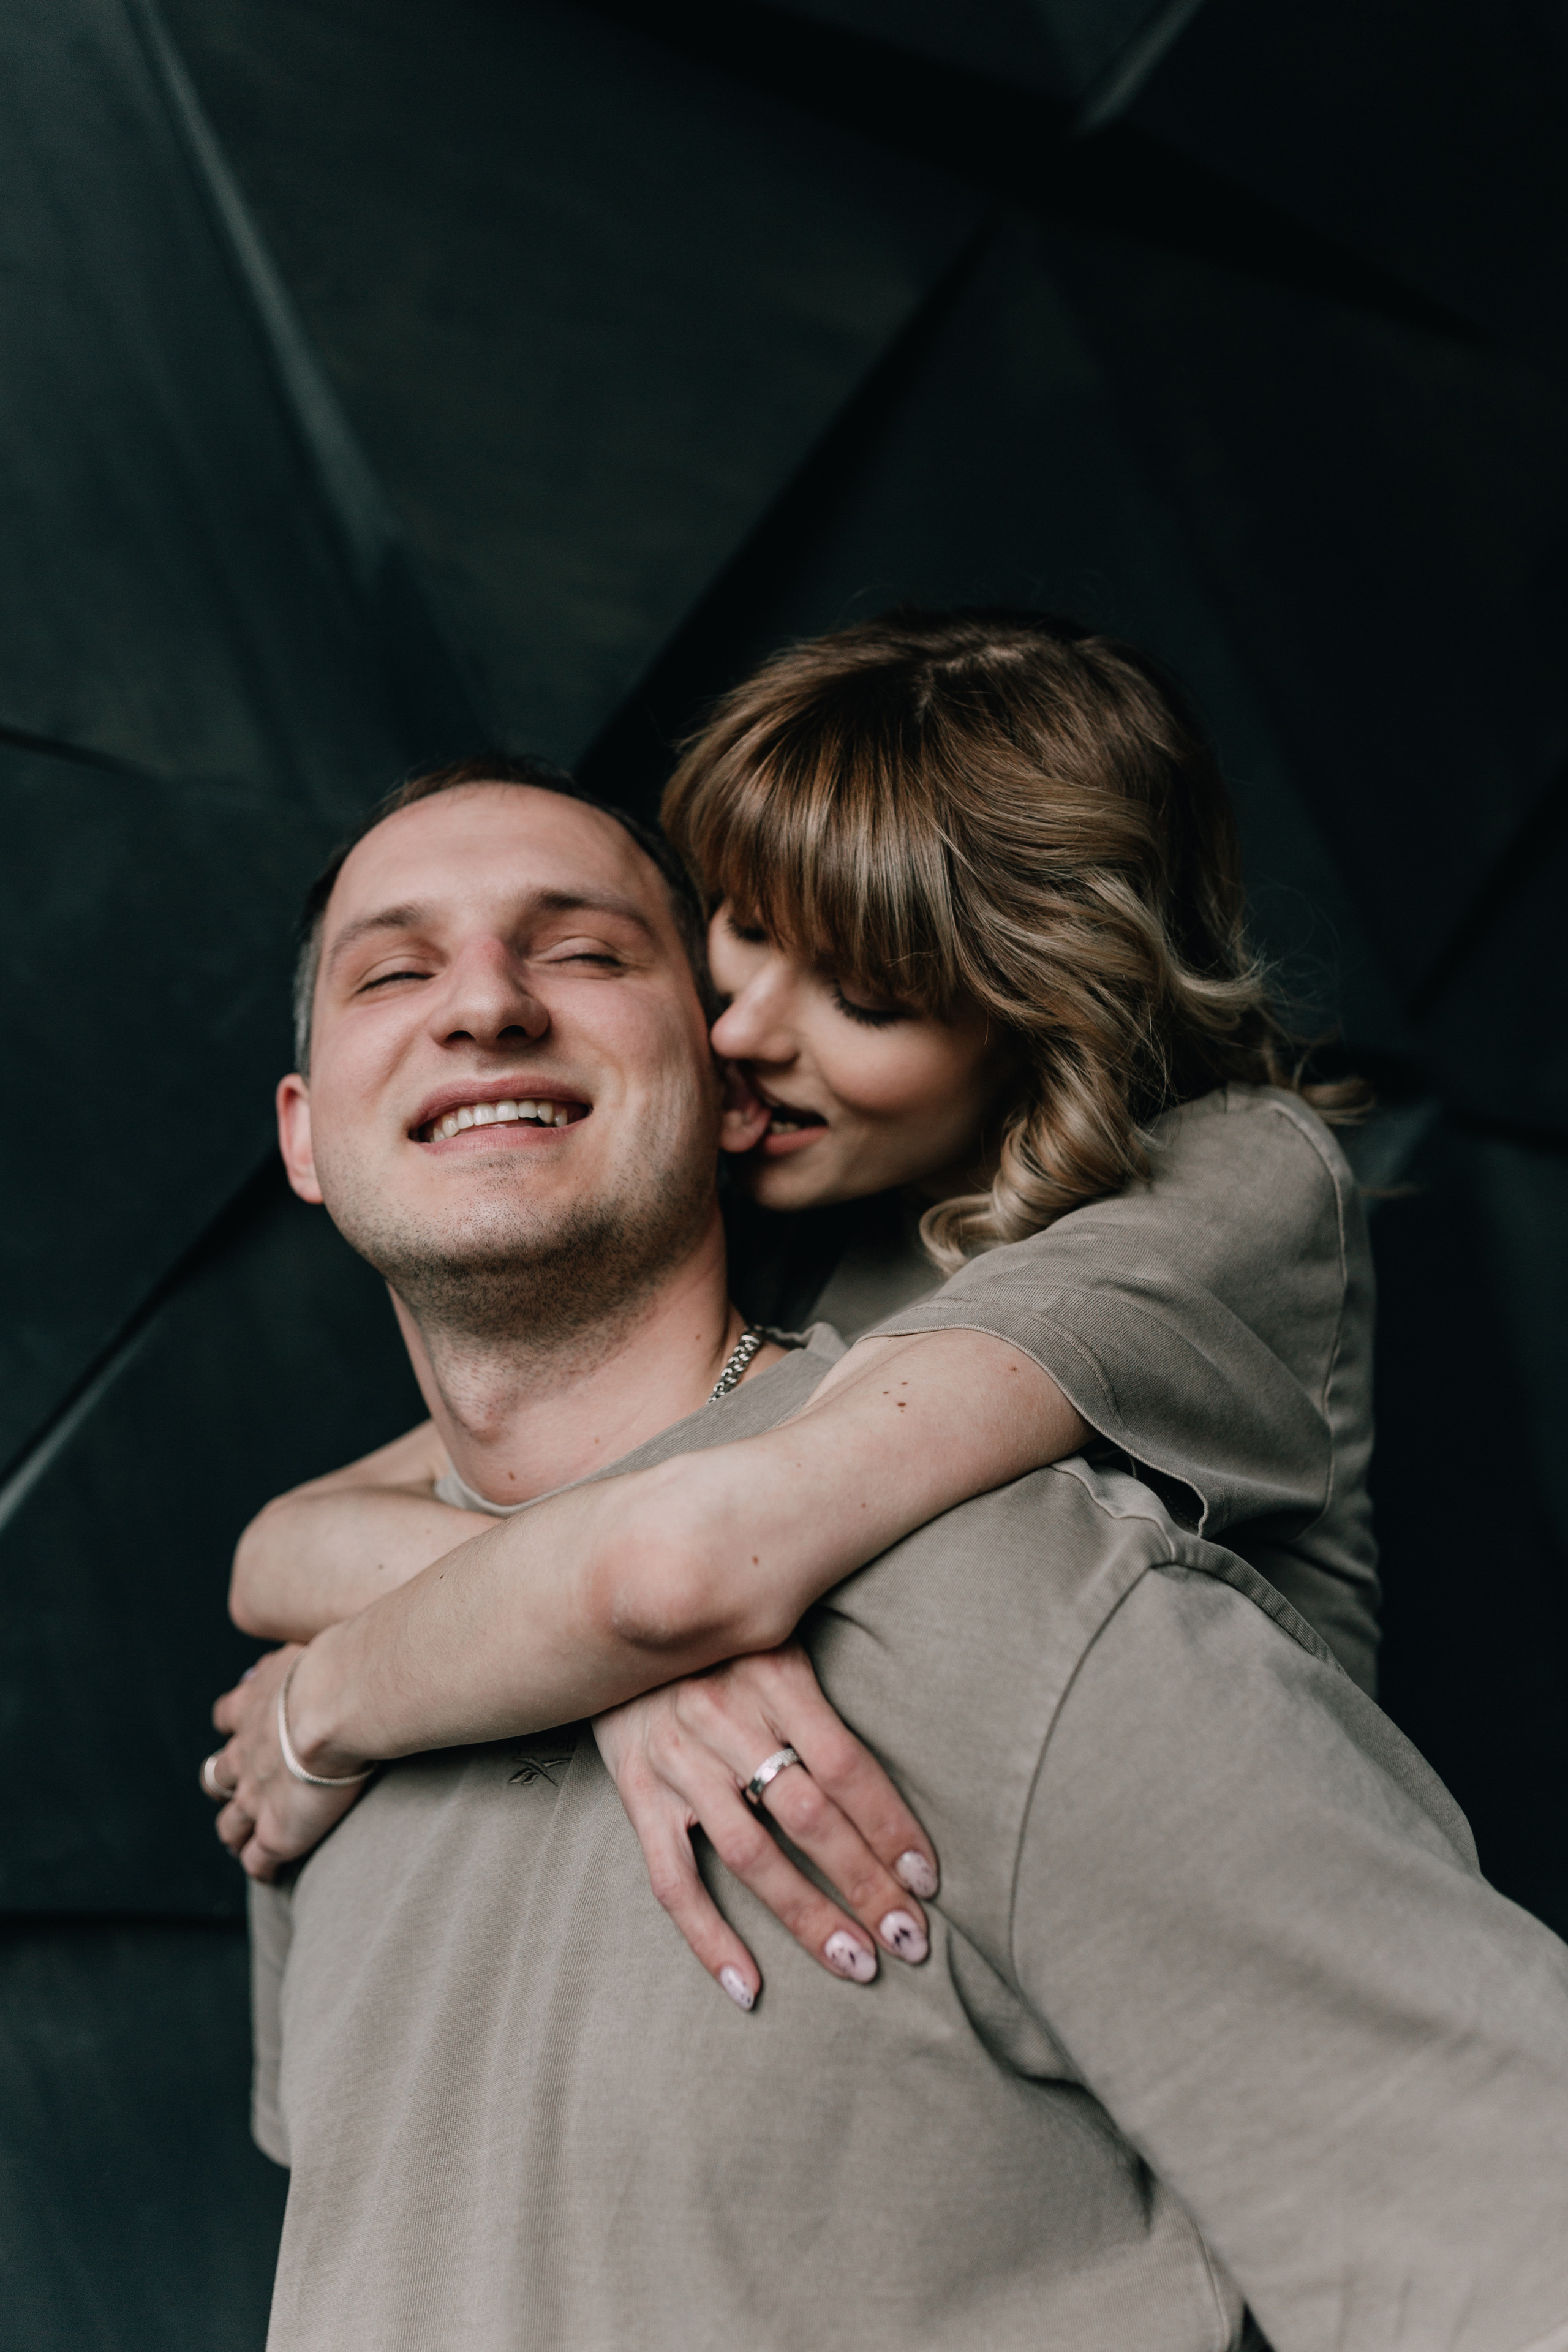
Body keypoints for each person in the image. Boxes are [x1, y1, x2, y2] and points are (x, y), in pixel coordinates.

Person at [208, 766, 1568, 2352]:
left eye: (581, 952)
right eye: (394, 969)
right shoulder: (317, 1733)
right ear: (303, 1136)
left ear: (731, 1091)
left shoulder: (1026, 1608)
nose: (486, 1005)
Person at [220, 612, 1377, 2003]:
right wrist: (597, 1653)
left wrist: (334, 1702)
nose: (741, 1033)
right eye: (747, 932)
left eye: (865, 998)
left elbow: (689, 1563)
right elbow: (293, 1542)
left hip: (1210, 1948)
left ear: (1043, 1017)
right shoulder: (803, 1210)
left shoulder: (1222, 1190)